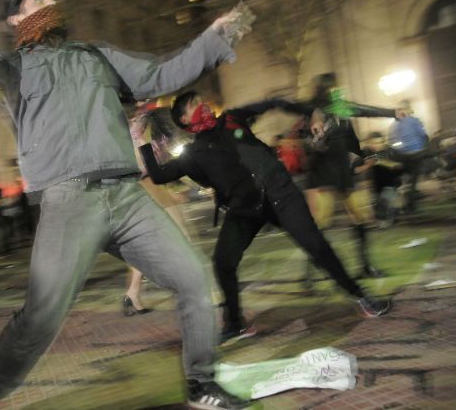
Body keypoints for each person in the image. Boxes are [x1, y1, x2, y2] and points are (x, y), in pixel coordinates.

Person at [0, 0, 254, 410]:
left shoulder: (96, 55)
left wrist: (214, 38)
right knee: (41, 317)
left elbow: (160, 74)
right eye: (36, 0)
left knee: (193, 279)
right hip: (69, 201)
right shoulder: (11, 67)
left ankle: (201, 384)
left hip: (124, 197)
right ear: (15, 17)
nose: (48, 3)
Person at [134, 91, 392, 345]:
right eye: (194, 105)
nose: (202, 104)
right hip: (244, 210)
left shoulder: (232, 119)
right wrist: (140, 138)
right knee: (223, 262)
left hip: (281, 196)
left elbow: (272, 102)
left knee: (316, 246)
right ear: (185, 120)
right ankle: (235, 323)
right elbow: (158, 175)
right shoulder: (193, 153)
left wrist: (310, 113)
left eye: (200, 100)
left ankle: (361, 296)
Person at [305, 72, 396, 278]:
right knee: (321, 224)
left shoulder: (342, 109)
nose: (338, 90)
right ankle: (310, 273)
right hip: (324, 175)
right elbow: (309, 143)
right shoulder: (314, 111)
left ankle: (365, 267)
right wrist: (317, 135)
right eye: (334, 88)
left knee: (360, 218)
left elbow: (366, 110)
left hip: (345, 173)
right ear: (325, 90)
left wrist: (393, 112)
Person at [388, 99, 429, 214]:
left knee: (405, 181)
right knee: (413, 181)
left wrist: (400, 149)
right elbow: (422, 135)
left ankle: (402, 201)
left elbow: (391, 141)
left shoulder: (393, 125)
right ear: (408, 110)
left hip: (401, 156)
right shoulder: (414, 121)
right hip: (416, 154)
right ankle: (410, 207)